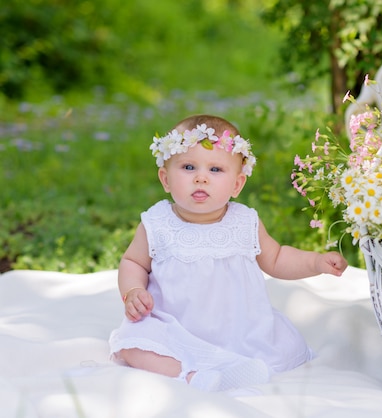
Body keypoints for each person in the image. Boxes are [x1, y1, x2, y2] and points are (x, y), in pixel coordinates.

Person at [109, 114, 348, 392]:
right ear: (165, 179)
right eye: (188, 167)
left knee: (276, 345)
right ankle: (192, 376)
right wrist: (133, 291)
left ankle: (234, 367)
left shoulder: (244, 222)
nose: (201, 178)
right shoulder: (157, 223)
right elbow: (132, 262)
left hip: (238, 330)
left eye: (216, 170)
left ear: (237, 184)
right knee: (133, 343)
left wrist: (316, 261)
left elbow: (278, 258)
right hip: (173, 328)